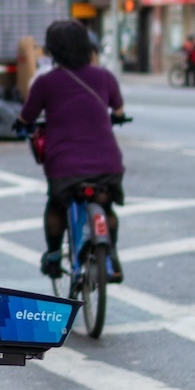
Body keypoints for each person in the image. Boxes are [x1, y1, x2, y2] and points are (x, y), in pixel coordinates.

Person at [20, 18, 128, 283]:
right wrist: (115, 116)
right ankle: (110, 256)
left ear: (53, 50)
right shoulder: (104, 77)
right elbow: (119, 111)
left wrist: (21, 125)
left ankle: (55, 256)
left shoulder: (45, 83)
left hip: (65, 165)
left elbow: (27, 117)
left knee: (57, 206)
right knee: (107, 206)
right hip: (107, 163)